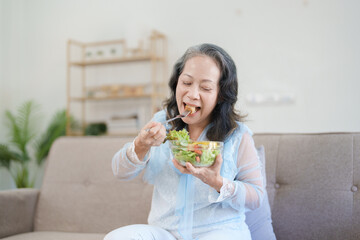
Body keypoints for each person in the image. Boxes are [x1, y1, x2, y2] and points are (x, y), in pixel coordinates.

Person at [104, 43, 265, 240]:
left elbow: (256, 197)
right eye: (186, 83)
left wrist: (217, 183)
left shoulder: (237, 135)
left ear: (221, 95)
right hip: (165, 233)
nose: (192, 94)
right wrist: (141, 145)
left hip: (219, 232)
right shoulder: (161, 123)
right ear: (176, 83)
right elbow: (119, 172)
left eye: (205, 87)